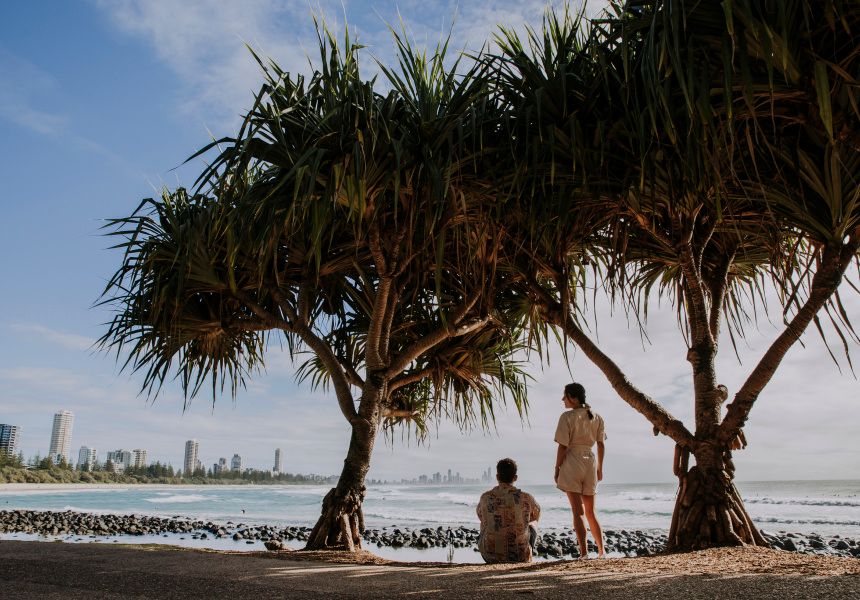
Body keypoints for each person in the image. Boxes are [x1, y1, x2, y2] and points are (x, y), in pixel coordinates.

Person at [554, 382, 606, 558]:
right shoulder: (596, 416)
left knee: (578, 512)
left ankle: (584, 553)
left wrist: (557, 468)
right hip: (590, 462)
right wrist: (600, 468)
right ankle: (601, 551)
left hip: (572, 462)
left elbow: (562, 446)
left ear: (573, 398)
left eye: (565, 396)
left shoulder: (567, 417)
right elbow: (601, 445)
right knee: (591, 512)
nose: (563, 399)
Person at [476, 458, 541, 563]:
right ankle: (528, 554)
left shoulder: (485, 497)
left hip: (490, 556)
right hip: (519, 556)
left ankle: (493, 548)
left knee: (485, 522)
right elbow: (535, 516)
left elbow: (481, 516)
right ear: (515, 478)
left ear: (497, 477)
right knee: (533, 524)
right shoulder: (526, 498)